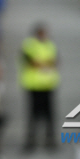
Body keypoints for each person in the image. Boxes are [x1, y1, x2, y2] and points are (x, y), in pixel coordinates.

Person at [19, 24, 59, 152]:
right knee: (33, 115)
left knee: (49, 115)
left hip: (48, 85)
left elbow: (56, 61)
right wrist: (46, 63)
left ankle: (50, 140)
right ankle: (31, 140)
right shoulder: (29, 44)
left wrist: (43, 63)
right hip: (34, 85)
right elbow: (31, 62)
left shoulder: (50, 45)